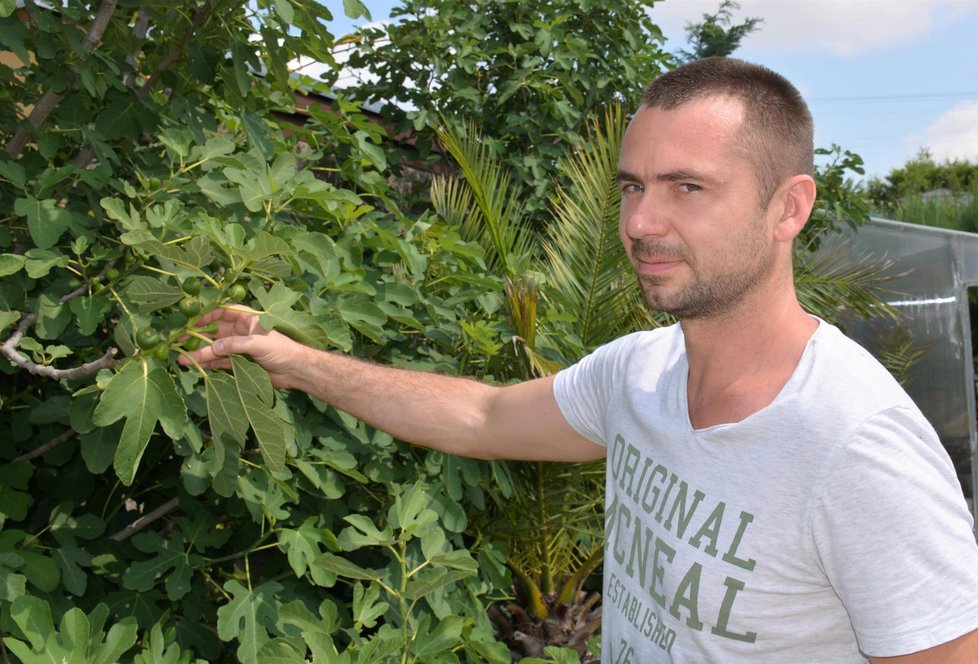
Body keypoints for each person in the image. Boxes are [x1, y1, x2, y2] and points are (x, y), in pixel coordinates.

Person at [182, 58, 978, 662]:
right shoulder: (640, 373)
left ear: (789, 208)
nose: (641, 222)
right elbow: (482, 415)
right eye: (632, 188)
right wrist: (297, 362)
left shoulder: (855, 447)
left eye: (688, 188)